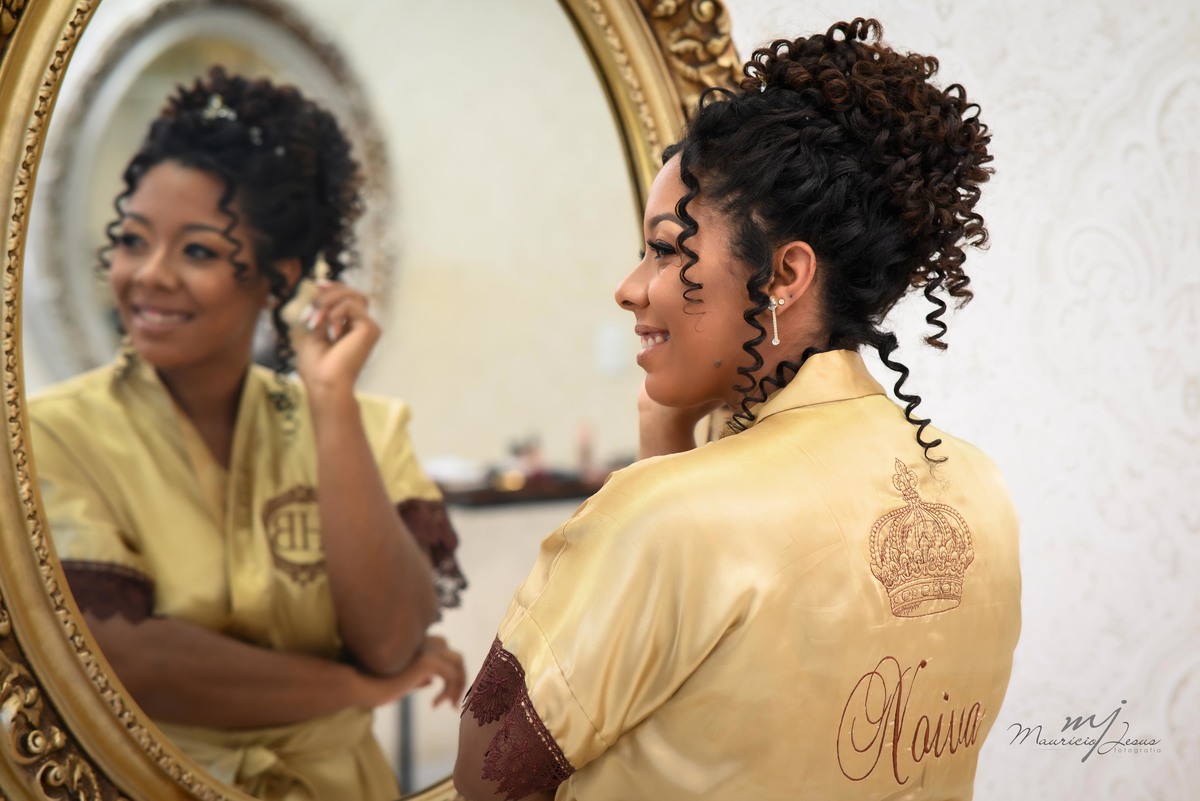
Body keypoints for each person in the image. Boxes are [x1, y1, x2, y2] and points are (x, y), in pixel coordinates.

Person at [455, 18, 1020, 801]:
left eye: (664, 249)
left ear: (783, 275)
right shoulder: (980, 486)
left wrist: (654, 476)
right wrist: (665, 433)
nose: (629, 287)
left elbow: (485, 774)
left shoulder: (666, 519)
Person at [29, 67, 467, 801]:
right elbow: (129, 662)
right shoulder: (48, 435)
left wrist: (330, 401)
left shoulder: (367, 427)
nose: (149, 275)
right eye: (133, 241)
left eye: (198, 251)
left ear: (276, 278)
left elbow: (393, 636)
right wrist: (358, 687)